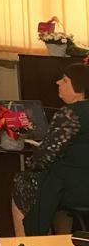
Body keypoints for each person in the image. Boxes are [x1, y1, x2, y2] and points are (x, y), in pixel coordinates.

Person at [12, 63, 89, 236]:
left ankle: (24, 243)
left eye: (65, 80)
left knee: (22, 182)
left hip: (74, 190)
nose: (58, 82)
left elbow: (43, 158)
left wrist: (33, 159)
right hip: (82, 184)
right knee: (56, 184)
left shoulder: (69, 114)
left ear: (79, 88)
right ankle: (62, 239)